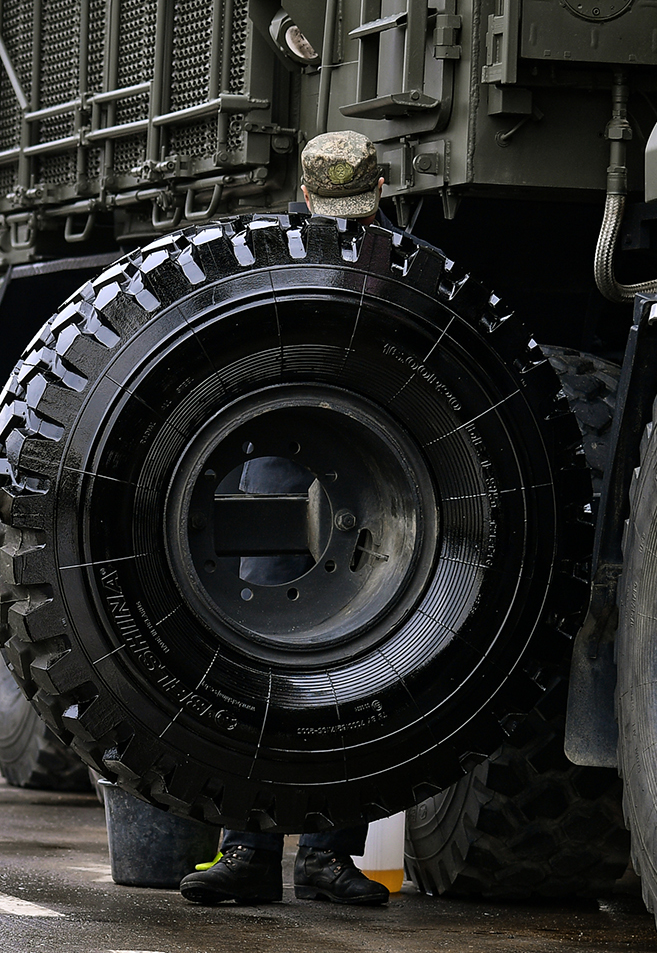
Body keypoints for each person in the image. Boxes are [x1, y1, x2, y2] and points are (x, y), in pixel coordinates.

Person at [178, 128, 390, 910]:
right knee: (255, 657)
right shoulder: (259, 255)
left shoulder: (398, 263)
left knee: (365, 663)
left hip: (365, 474)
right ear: (304, 195)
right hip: (274, 466)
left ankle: (329, 857)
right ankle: (250, 850)